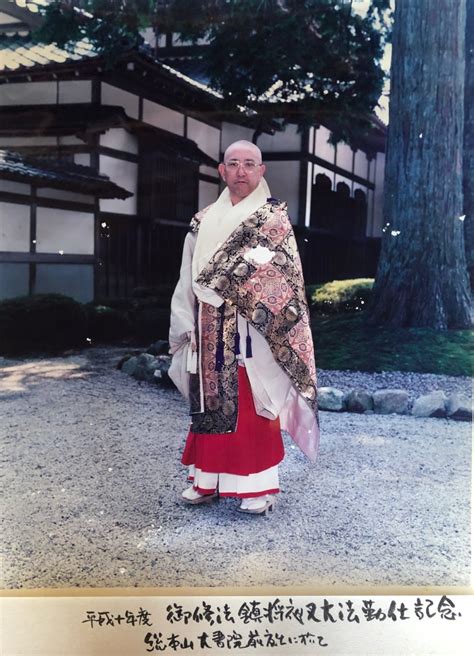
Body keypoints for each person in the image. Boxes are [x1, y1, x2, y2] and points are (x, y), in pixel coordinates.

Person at [168, 140, 319, 515]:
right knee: (209, 400)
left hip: (253, 326)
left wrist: (241, 290)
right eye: (233, 163)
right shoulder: (202, 220)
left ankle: (258, 487)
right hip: (206, 324)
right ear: (222, 170)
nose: (241, 171)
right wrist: (184, 319)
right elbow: (188, 276)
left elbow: (283, 278)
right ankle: (206, 480)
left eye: (249, 164)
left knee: (254, 402)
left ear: (261, 170)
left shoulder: (273, 219)